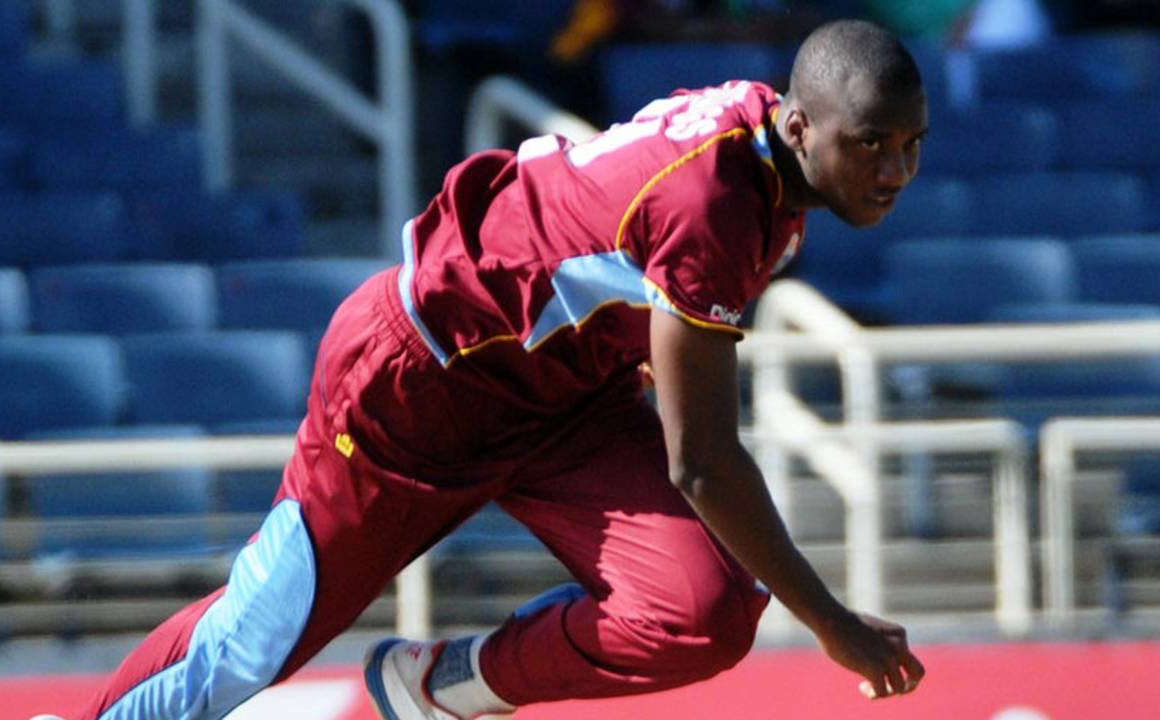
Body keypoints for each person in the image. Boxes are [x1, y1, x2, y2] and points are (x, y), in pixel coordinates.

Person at [66, 18, 928, 720]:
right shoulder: (715, 204)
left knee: (703, 615)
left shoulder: (764, 139)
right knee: (257, 643)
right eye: (871, 144)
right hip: (417, 385)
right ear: (803, 122)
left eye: (910, 145)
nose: (893, 172)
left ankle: (437, 688)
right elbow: (700, 461)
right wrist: (834, 623)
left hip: (563, 397)